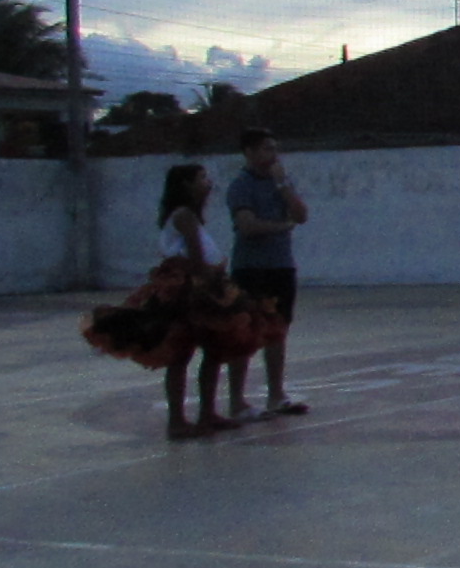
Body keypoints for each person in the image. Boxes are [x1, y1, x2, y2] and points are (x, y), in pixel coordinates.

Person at [82, 162, 285, 439]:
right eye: (202, 178)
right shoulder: (185, 216)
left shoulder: (189, 216)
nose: (208, 183)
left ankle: (206, 414)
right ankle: (179, 421)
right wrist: (216, 286)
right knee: (183, 353)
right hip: (190, 291)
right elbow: (196, 258)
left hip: (197, 287)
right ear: (186, 185)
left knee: (212, 351)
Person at [224, 128, 310, 417]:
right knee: (244, 331)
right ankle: (237, 400)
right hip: (251, 268)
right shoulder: (241, 186)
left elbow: (301, 215)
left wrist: (283, 185)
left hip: (281, 265)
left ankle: (276, 394)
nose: (273, 155)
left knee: (278, 330)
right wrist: (280, 227)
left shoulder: (281, 182)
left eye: (274, 148)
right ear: (249, 152)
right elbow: (247, 226)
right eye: (266, 148)